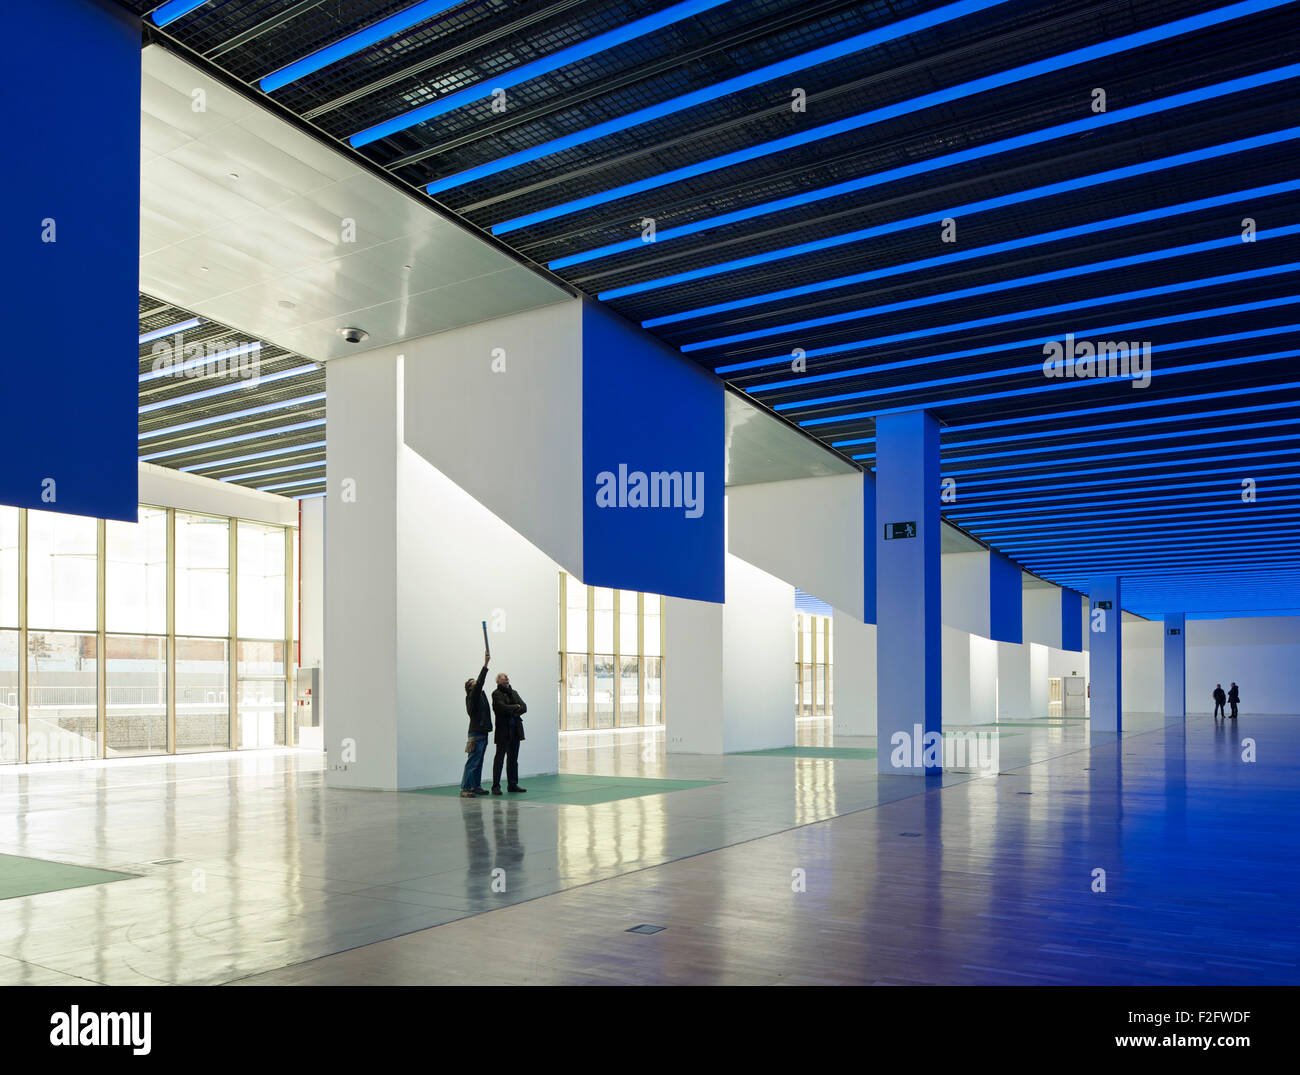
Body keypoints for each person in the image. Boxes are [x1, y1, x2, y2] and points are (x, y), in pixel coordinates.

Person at [460, 653, 493, 798]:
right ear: (470, 688)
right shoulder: (472, 697)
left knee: (478, 762)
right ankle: (466, 788)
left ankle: (476, 786)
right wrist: (485, 664)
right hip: (476, 734)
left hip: (482, 733)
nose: (477, 684)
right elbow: (480, 683)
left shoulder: (479, 697)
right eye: (473, 684)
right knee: (473, 762)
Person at [490, 672, 528, 794]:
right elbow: (502, 708)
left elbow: (524, 707)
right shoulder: (496, 694)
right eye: (503, 677)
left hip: (515, 730)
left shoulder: (514, 693)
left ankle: (512, 784)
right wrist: (516, 707)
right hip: (503, 731)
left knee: (513, 760)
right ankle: (496, 786)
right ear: (498, 681)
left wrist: (513, 708)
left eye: (507, 677)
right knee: (499, 760)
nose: (506, 678)